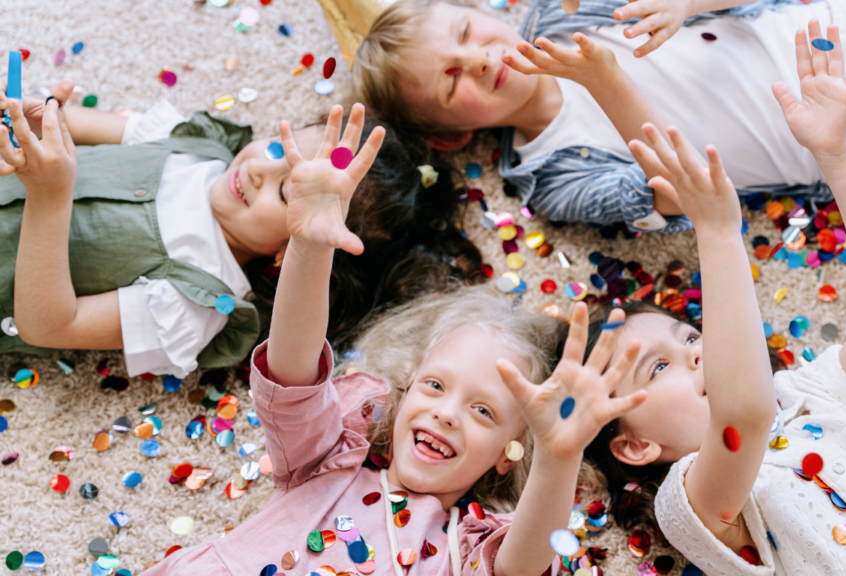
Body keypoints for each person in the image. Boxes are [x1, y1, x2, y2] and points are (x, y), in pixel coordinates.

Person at [579, 22, 846, 574]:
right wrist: (717, 230)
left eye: (690, 335)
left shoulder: (815, 395)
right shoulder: (686, 501)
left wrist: (837, 154)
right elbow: (744, 415)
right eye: (658, 367)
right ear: (634, 446)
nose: (697, 351)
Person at [144, 104, 648, 574]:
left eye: (483, 411)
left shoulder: (470, 547)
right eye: (434, 386)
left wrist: (558, 456)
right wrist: (310, 245)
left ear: (507, 452)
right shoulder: (327, 459)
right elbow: (292, 369)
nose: (447, 413)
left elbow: (526, 563)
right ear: (402, 396)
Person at [352, 0, 846, 233]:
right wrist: (605, 81)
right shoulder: (552, 178)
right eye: (450, 83)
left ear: (485, 11)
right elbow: (678, 196)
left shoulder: (569, 12)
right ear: (451, 134)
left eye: (468, 31)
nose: (478, 59)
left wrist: (685, 6)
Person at [0, 79, 482, 378]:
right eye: (279, 152)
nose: (258, 172)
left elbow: (49, 325)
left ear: (289, 256)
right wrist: (38, 119)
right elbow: (71, 123)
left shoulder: (195, 300)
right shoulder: (199, 146)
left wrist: (49, 194)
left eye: (286, 193)